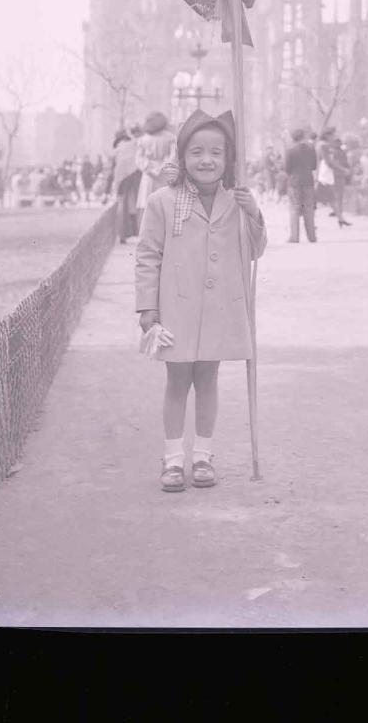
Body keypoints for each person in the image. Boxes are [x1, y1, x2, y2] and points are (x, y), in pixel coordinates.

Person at [135, 108, 267, 493]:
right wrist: (148, 307)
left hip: (219, 308)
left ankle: (204, 456)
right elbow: (147, 255)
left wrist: (254, 212)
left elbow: (256, 251)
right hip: (177, 307)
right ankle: (173, 458)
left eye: (215, 152)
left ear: (228, 160)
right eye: (196, 152)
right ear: (182, 156)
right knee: (177, 380)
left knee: (208, 378)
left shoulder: (237, 202)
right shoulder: (163, 201)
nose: (206, 160)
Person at [135, 111, 176, 231]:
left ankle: (148, 231)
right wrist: (162, 167)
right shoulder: (170, 137)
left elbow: (139, 159)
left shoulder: (143, 139)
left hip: (148, 175)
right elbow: (173, 156)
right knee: (165, 204)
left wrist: (149, 168)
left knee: (147, 203)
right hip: (164, 174)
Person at [285, 128, 318, 242]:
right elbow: (314, 166)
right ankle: (312, 237)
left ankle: (294, 237)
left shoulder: (290, 150)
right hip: (308, 181)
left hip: (294, 182)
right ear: (303, 136)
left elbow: (287, 168)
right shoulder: (311, 149)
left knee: (294, 209)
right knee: (308, 209)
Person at [112, 128, 141, 242]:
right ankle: (138, 231)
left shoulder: (116, 150)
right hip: (136, 174)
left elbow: (112, 170)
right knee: (136, 203)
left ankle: (122, 234)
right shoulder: (134, 144)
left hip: (121, 179)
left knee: (122, 204)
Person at [324, 136, 352, 227]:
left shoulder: (336, 152)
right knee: (337, 196)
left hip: (337, 175)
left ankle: (339, 213)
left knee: (338, 196)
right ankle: (339, 213)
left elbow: (345, 163)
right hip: (335, 175)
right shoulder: (335, 152)